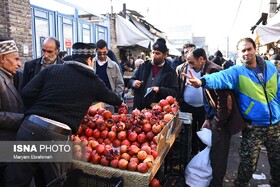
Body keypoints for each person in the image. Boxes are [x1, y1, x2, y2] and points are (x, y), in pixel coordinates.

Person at [4, 42, 125, 187]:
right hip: (57, 136)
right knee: (56, 182)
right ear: (89, 60)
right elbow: (114, 98)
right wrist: (121, 102)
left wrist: (41, 107)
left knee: (16, 180)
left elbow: (26, 92)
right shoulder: (93, 81)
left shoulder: (52, 69)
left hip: (30, 127)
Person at [184, 38, 280, 187]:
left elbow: (278, 90)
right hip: (253, 126)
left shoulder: (271, 68)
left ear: (255, 49)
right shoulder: (237, 71)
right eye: (243, 50)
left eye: (249, 49)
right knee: (247, 166)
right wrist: (202, 81)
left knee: (277, 162)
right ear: (238, 53)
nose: (246, 53)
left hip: (275, 124)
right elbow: (219, 77)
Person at [181, 48, 243, 186]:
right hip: (218, 118)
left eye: (192, 63)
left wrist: (218, 122)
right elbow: (210, 99)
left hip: (224, 121)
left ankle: (216, 183)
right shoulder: (205, 70)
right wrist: (208, 118)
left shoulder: (212, 71)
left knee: (218, 156)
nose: (190, 66)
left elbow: (225, 100)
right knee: (216, 153)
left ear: (201, 59)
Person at [0, 37, 25, 186]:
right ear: (2, 58)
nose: (19, 63)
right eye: (15, 59)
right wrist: (23, 119)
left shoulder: (8, 77)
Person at [128, 38, 178, 110]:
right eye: (153, 52)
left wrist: (160, 90)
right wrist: (134, 83)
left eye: (157, 53)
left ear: (165, 55)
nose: (154, 56)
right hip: (139, 108)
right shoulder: (143, 66)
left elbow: (174, 92)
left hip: (157, 110)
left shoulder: (170, 71)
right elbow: (131, 80)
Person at [176, 44, 207, 156]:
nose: (191, 64)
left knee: (204, 134)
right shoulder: (181, 69)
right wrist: (180, 102)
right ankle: (192, 157)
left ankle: (203, 157)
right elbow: (177, 87)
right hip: (187, 107)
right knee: (190, 135)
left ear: (200, 59)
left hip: (203, 108)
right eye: (185, 53)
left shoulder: (207, 69)